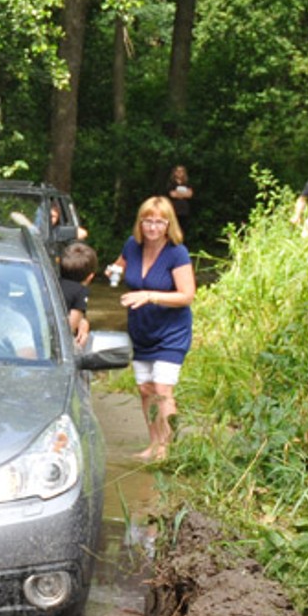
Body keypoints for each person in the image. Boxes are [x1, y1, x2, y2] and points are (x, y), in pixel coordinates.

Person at [108, 196, 195, 461]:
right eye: (148, 221)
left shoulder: (176, 252)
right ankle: (153, 443)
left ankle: (166, 449)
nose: (153, 227)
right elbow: (120, 265)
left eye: (159, 222)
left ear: (168, 224)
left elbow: (187, 295)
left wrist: (149, 295)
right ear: (141, 222)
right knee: (145, 390)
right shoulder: (132, 245)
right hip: (141, 329)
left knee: (162, 389)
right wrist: (113, 270)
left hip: (171, 332)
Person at [58, 239, 98, 347]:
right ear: (90, 277)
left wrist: (83, 321)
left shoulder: (52, 282)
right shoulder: (81, 291)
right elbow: (70, 326)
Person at [166, 166, 194, 233]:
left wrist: (178, 193)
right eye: (177, 171)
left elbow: (190, 194)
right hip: (173, 209)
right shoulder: (171, 183)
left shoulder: (187, 183)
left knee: (183, 230)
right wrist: (184, 193)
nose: (179, 173)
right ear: (174, 172)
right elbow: (172, 194)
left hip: (184, 211)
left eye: (181, 171)